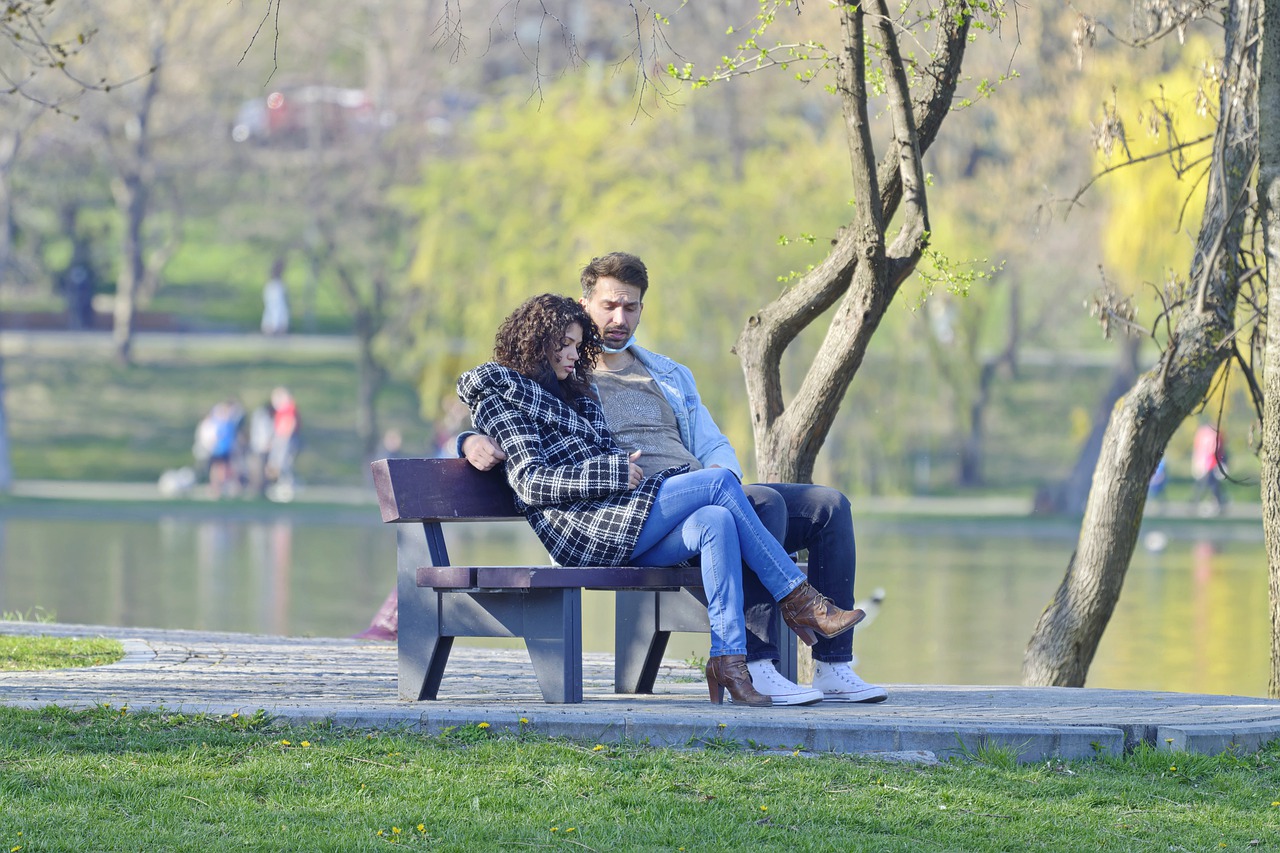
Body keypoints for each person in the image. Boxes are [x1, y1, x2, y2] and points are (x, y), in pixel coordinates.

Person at [459, 253, 887, 705]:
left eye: (631, 307)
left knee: (825, 505)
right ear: (583, 306)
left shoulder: (664, 373)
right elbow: (509, 431)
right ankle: (771, 648)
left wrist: (724, 475)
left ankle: (825, 666)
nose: (619, 318)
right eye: (608, 306)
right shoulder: (570, 380)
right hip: (624, 507)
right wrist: (467, 441)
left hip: (685, 491)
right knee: (760, 505)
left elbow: (711, 441)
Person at [1190, 422, 1228, 515]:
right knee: (1209, 484)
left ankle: (1196, 502)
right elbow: (1214, 449)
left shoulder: (1204, 433)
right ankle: (1196, 502)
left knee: (1210, 484)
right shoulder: (1211, 434)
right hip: (1209, 463)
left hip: (1209, 463)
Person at [261, 258, 290, 336]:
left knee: (275, 309)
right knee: (276, 309)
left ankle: (273, 328)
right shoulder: (275, 282)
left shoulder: (274, 282)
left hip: (273, 288)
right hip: (274, 288)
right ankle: (274, 329)